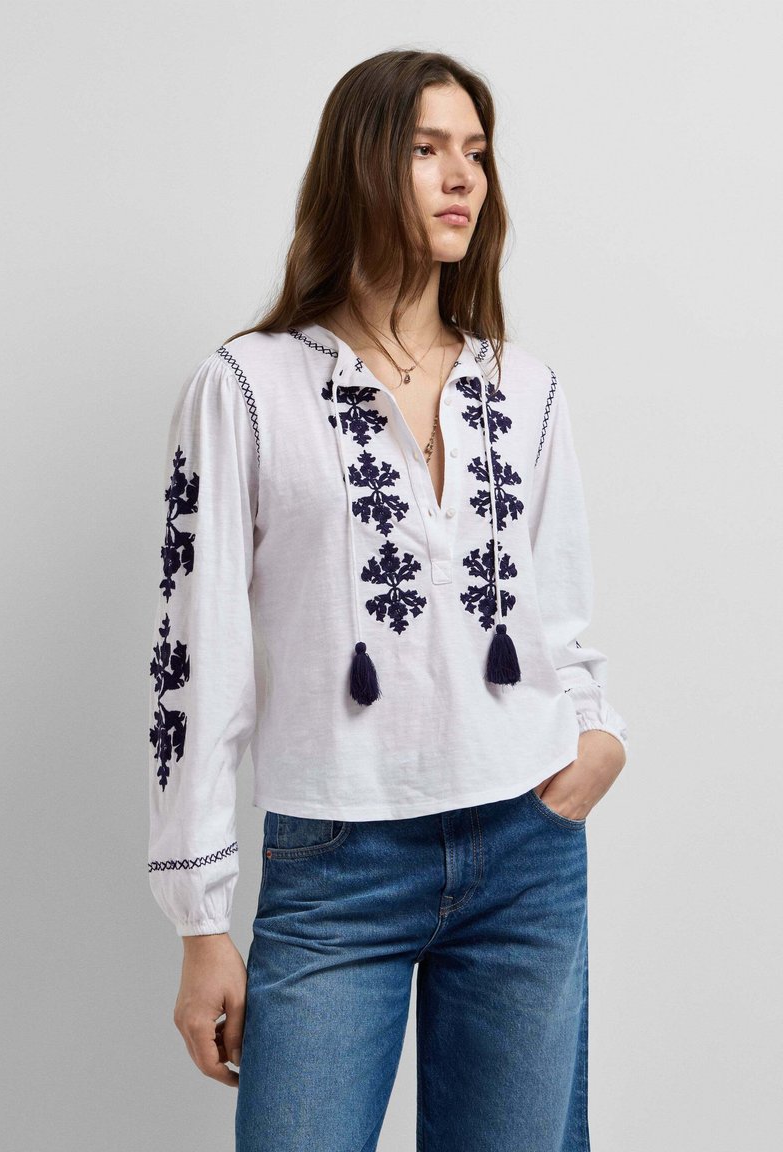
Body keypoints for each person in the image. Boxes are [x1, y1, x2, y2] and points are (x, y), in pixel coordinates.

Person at [147, 48, 628, 1152]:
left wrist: (596, 739)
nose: (462, 177)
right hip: (336, 866)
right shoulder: (245, 387)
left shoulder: (523, 388)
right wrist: (200, 919)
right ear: (360, 165)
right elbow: (196, 654)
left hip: (526, 853)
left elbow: (557, 616)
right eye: (425, 149)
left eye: (476, 153)